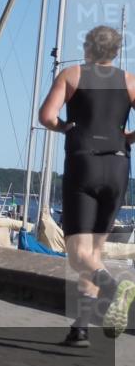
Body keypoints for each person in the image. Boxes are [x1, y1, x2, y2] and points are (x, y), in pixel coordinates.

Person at [38, 25, 135, 346]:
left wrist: (68, 128)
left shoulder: (72, 75)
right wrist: (125, 137)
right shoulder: (130, 81)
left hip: (85, 162)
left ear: (88, 49)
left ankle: (112, 288)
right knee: (93, 251)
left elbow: (47, 116)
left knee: (78, 251)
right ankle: (80, 327)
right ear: (116, 51)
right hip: (119, 164)